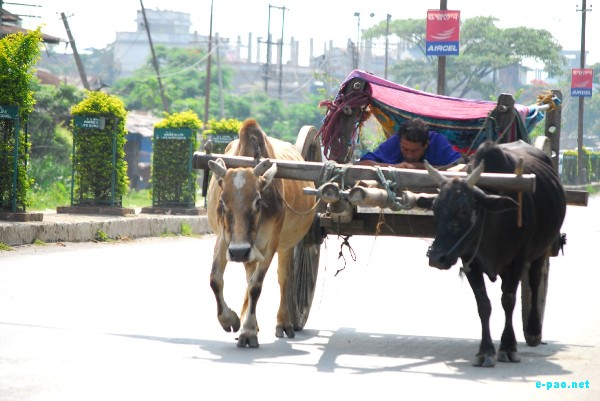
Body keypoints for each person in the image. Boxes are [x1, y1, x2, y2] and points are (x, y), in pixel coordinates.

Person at [357, 118, 462, 169]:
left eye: (414, 151)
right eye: (405, 149)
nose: (409, 155)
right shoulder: (396, 140)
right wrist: (396, 167)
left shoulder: (437, 142)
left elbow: (460, 167)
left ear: (426, 144)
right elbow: (363, 164)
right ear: (400, 142)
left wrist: (420, 167)